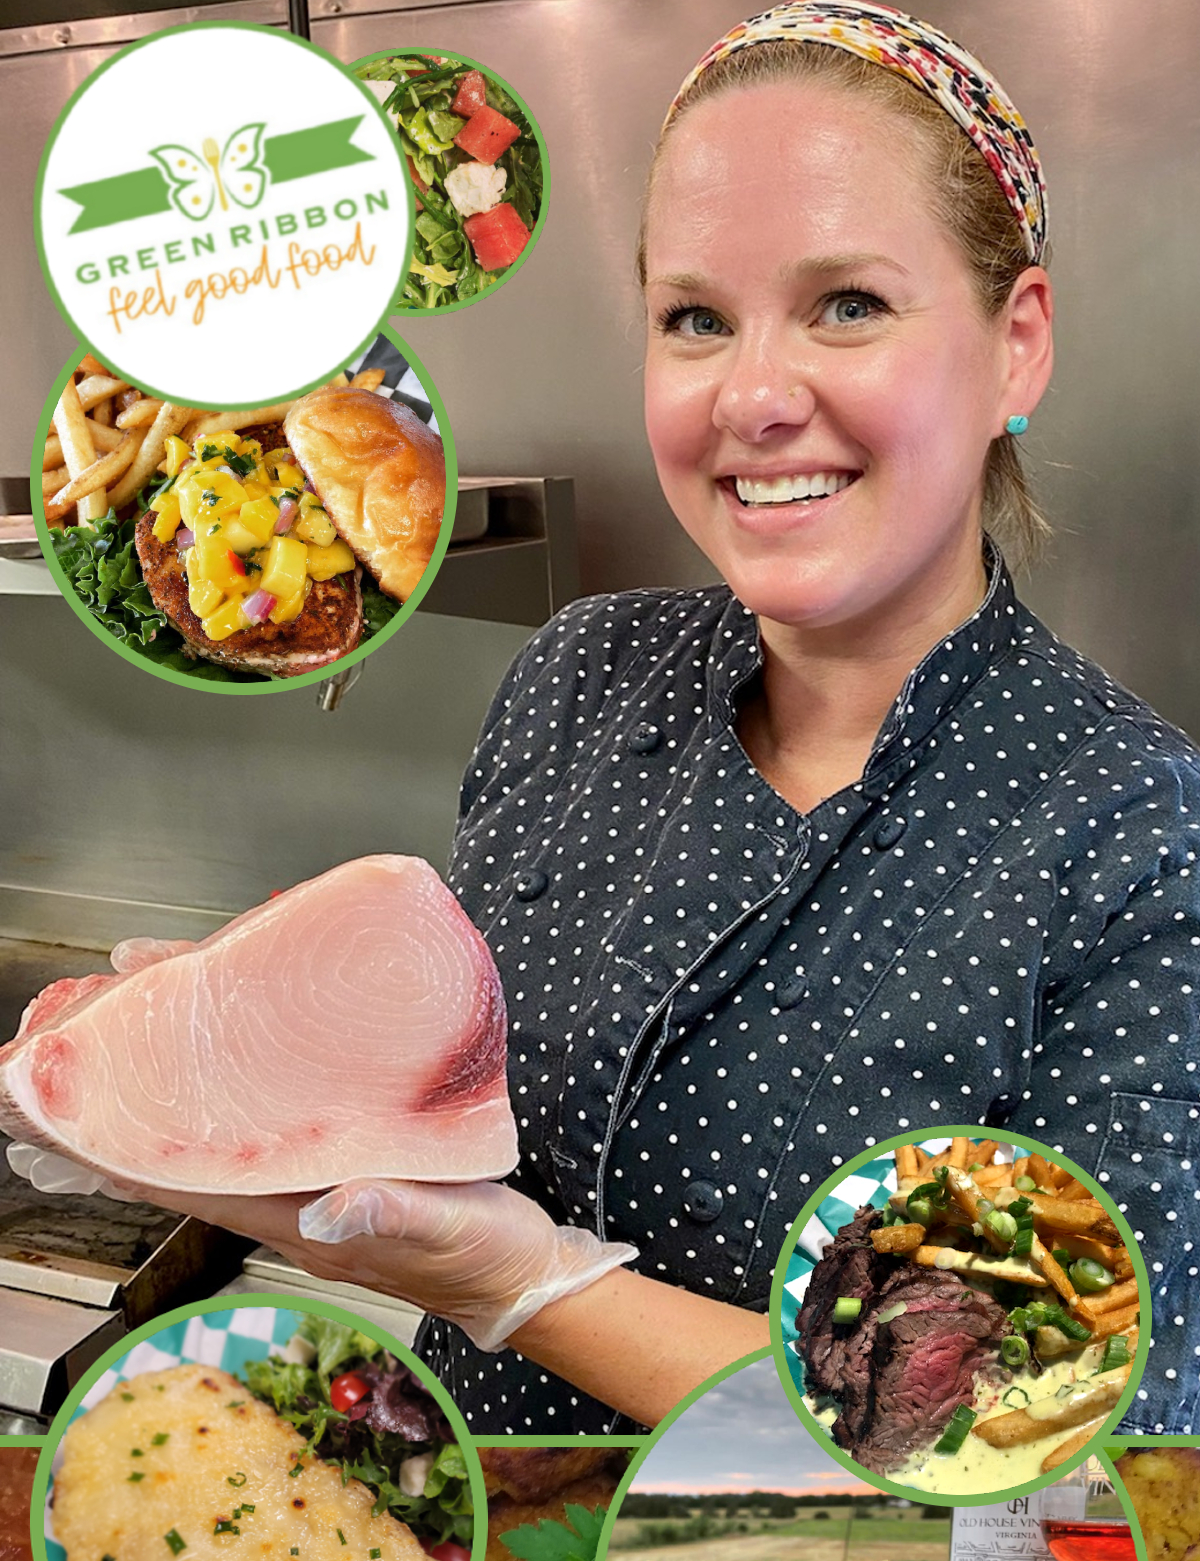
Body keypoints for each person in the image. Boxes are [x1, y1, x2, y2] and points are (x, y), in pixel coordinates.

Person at [15, 3, 1200, 1435]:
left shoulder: (1138, 842)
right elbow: (450, 1088)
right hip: (476, 1557)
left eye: (848, 305)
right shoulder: (582, 674)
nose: (755, 397)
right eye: (696, 318)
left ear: (1016, 345)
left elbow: (1079, 1447)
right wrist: (240, 1062)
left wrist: (524, 1285)